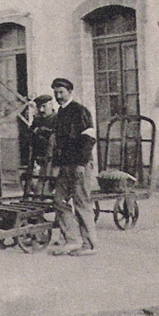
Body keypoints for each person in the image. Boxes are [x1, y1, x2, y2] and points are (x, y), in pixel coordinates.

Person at [49, 78, 98, 257]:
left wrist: (80, 164)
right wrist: (56, 166)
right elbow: (57, 143)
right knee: (59, 202)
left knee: (81, 202)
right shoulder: (60, 113)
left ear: (70, 92)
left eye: (61, 91)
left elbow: (89, 139)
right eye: (55, 92)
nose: (58, 95)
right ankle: (72, 240)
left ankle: (89, 245)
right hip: (64, 166)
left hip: (79, 165)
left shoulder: (79, 111)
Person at [26, 94, 57, 197]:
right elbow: (30, 133)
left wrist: (41, 131)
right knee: (38, 189)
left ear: (51, 105)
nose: (41, 110)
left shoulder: (58, 119)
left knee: (50, 186)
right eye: (39, 107)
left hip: (55, 161)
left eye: (44, 106)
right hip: (40, 159)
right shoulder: (37, 120)